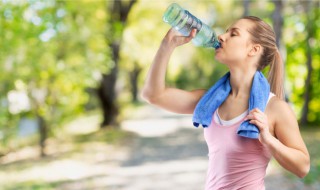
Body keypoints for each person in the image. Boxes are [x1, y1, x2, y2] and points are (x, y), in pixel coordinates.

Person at [141, 16, 310, 189]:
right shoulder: (210, 102)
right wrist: (166, 46)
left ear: (253, 49)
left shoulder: (274, 108)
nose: (222, 36)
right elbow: (153, 95)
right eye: (226, 31)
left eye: (233, 34)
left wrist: (268, 139)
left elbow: (303, 167)